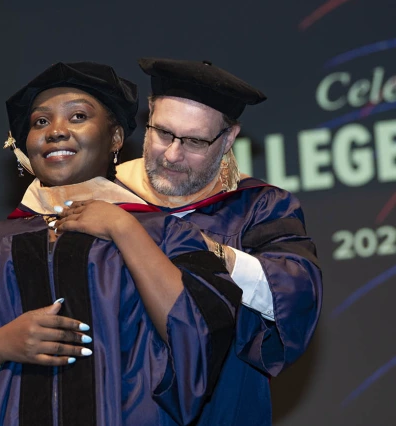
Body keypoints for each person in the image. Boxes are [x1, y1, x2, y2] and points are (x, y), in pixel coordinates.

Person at [0, 61, 243, 426]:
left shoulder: (166, 233)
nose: (56, 131)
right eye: (40, 122)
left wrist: (124, 229)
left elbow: (204, 337)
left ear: (116, 138)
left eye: (77, 116)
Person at [91, 57, 321, 425]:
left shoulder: (259, 207)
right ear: (148, 115)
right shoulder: (103, 199)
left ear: (229, 138)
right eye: (163, 133)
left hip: (219, 410)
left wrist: (207, 249)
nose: (172, 154)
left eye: (195, 140)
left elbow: (294, 294)